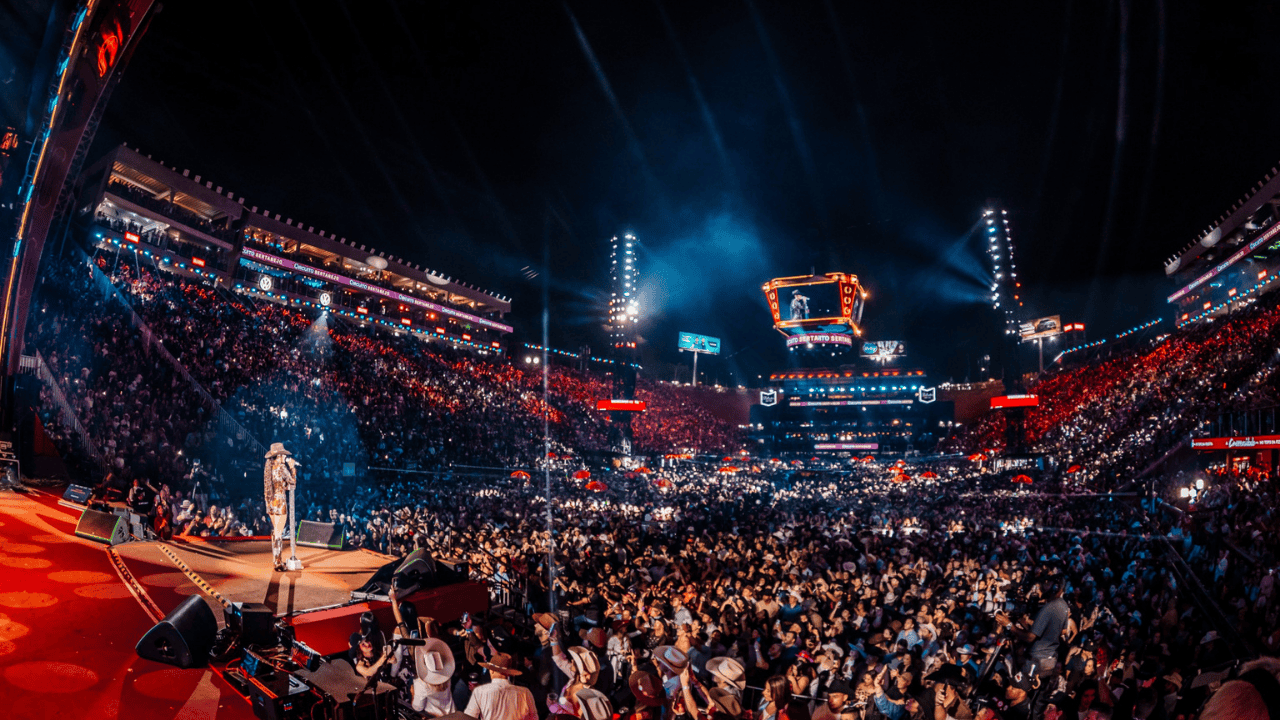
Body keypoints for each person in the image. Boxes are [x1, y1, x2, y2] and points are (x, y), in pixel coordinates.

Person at [465, 652, 538, 720]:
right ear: (508, 673)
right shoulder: (525, 692)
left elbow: (468, 717)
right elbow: (534, 718)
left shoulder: (479, 692)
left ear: (491, 671)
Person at [263, 442, 299, 571]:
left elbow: (280, 485)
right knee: (279, 533)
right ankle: (278, 563)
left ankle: (276, 560)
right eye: (283, 455)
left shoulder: (269, 468)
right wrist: (293, 468)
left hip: (271, 503)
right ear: (278, 456)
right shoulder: (282, 468)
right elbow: (292, 483)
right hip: (280, 503)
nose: (285, 457)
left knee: (275, 531)